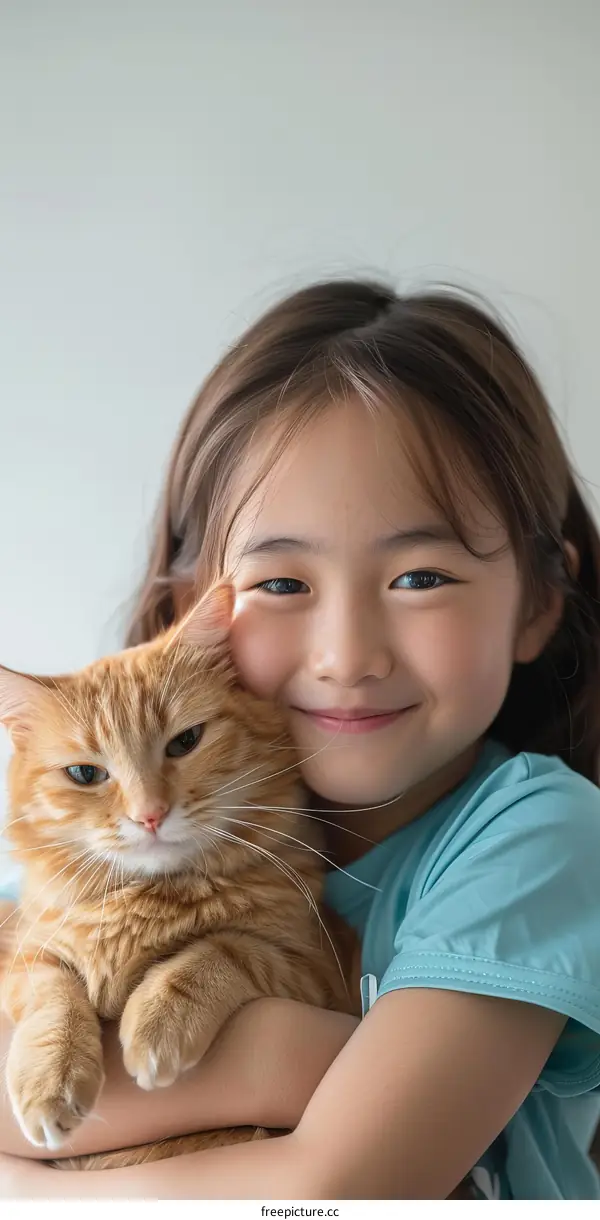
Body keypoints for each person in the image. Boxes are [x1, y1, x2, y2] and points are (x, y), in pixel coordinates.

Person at [2, 279, 600, 1200]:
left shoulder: (539, 836)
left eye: (421, 575)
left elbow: (345, 1186)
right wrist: (290, 1062)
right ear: (185, 621)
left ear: (540, 604)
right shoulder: (81, 851)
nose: (347, 655)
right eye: (281, 585)